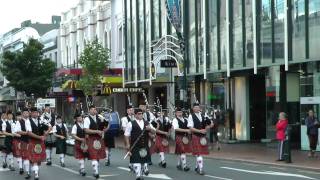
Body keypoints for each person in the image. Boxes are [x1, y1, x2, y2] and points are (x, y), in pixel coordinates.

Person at [124, 108, 156, 180]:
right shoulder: (130, 123)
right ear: (135, 115)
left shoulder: (147, 123)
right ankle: (138, 175)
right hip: (135, 145)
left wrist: (150, 129)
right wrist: (127, 144)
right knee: (136, 161)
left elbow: (154, 132)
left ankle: (141, 174)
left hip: (145, 145)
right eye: (139, 114)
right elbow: (126, 135)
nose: (141, 115)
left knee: (143, 161)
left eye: (141, 114)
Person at [188, 103, 211, 175]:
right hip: (196, 136)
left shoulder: (203, 115)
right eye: (196, 107)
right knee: (199, 153)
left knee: (199, 153)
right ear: (193, 109)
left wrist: (206, 128)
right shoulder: (191, 116)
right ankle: (201, 169)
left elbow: (210, 124)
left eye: (198, 107)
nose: (197, 108)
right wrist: (200, 131)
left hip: (203, 137)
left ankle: (197, 166)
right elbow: (190, 128)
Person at [83, 105, 107, 179]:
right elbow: (86, 130)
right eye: (92, 109)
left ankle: (95, 170)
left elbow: (105, 128)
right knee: (94, 155)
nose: (94, 111)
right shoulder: (87, 119)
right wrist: (96, 131)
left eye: (95, 109)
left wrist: (104, 122)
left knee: (98, 156)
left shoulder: (100, 118)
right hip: (91, 138)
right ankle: (96, 172)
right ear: (89, 110)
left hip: (99, 139)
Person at [25, 107, 49, 180]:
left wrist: (45, 135)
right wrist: (40, 137)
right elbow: (29, 133)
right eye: (34, 112)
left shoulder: (41, 120)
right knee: (34, 158)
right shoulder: (28, 121)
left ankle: (35, 170)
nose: (36, 114)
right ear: (31, 113)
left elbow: (49, 127)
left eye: (36, 112)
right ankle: (36, 174)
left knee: (38, 160)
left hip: (40, 142)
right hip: (32, 141)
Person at [172, 107, 191, 171]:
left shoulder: (186, 119)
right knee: (182, 150)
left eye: (180, 112)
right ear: (176, 113)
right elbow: (176, 129)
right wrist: (186, 130)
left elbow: (189, 126)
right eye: (178, 112)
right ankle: (185, 166)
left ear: (182, 113)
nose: (179, 113)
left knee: (181, 151)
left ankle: (178, 164)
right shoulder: (175, 120)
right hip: (178, 136)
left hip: (185, 137)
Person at [121, 105, 135, 170]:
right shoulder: (124, 119)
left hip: (135, 136)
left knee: (135, 150)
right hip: (128, 136)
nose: (131, 111)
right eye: (130, 110)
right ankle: (131, 162)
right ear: (127, 111)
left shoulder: (136, 118)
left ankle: (133, 163)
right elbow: (124, 129)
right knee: (129, 149)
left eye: (132, 110)